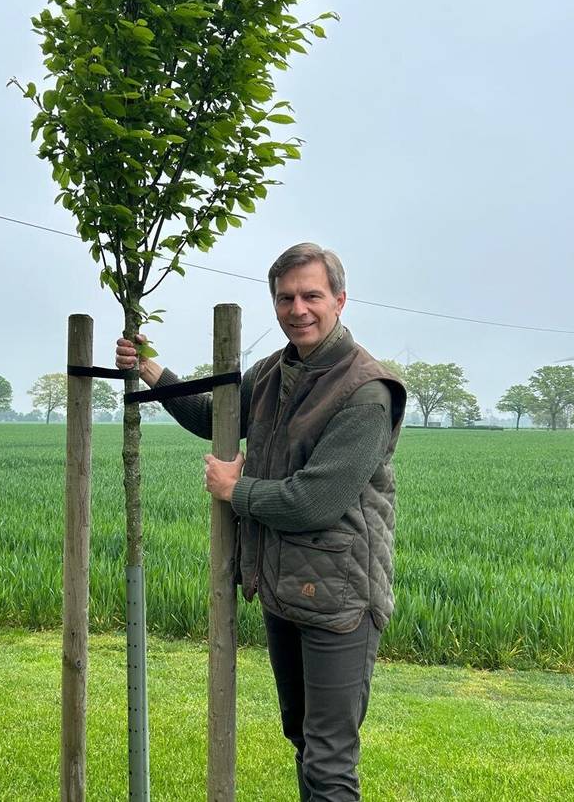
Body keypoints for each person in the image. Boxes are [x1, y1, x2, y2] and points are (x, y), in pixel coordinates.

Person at [115, 243, 406, 801]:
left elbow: (315, 501)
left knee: (329, 759)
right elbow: (215, 418)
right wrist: (150, 369)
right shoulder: (275, 371)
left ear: (340, 300)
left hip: (341, 598)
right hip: (284, 586)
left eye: (311, 295)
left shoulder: (367, 391)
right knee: (302, 737)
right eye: (285, 298)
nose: (298, 309)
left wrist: (235, 489)